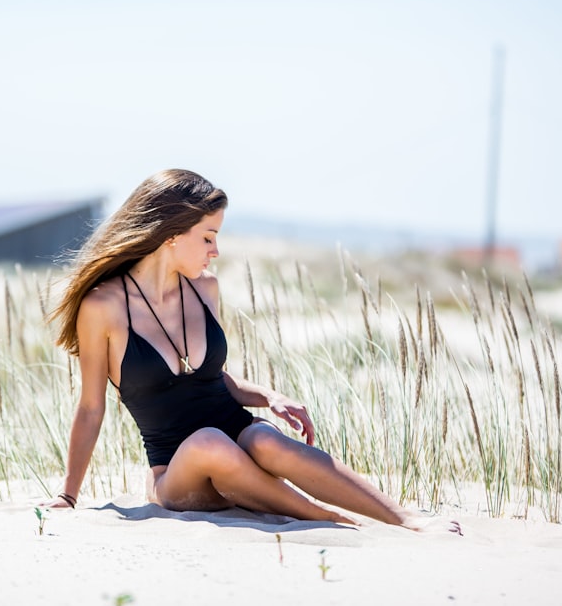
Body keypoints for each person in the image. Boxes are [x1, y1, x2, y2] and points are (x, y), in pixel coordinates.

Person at [43, 169, 460, 534]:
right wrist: (68, 495)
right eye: (207, 237)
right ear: (170, 235)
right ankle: (332, 519)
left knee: (265, 438)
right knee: (209, 441)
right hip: (177, 472)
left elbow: (207, 377)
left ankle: (404, 519)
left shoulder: (204, 288)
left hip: (235, 435)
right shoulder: (104, 307)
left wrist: (269, 397)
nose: (215, 251)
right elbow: (90, 407)